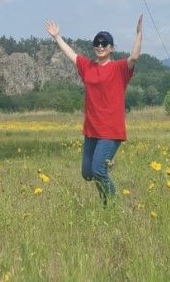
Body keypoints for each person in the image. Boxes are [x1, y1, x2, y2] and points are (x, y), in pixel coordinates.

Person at [45, 15, 143, 203]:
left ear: (111, 48)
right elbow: (71, 54)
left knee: (98, 171)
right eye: (97, 43)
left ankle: (113, 206)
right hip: (91, 130)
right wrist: (57, 37)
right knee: (88, 174)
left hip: (110, 131)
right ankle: (106, 189)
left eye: (104, 43)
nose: (100, 46)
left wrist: (138, 34)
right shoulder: (87, 67)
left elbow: (135, 57)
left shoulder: (119, 69)